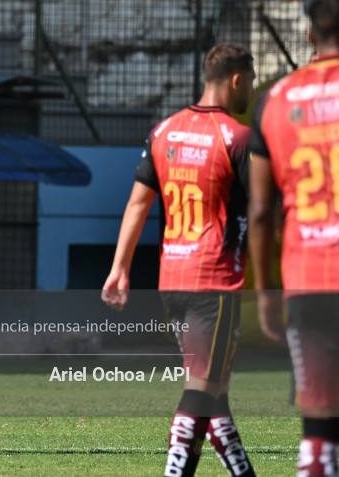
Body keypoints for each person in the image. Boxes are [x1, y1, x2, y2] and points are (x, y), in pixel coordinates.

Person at [101, 43, 257, 477]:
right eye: (251, 81)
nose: (251, 90)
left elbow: (137, 203)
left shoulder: (164, 131)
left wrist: (119, 268)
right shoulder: (237, 137)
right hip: (215, 281)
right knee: (202, 392)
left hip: (173, 278)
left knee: (212, 392)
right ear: (237, 80)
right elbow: (264, 212)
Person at [248, 0, 339, 477]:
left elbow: (262, 210)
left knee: (319, 428)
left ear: (309, 33)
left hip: (308, 281)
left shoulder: (275, 100)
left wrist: (266, 293)